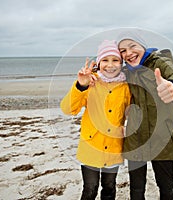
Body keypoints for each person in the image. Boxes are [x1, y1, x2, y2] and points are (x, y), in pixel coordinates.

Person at [117, 32, 173, 200]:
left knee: (166, 185)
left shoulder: (159, 62)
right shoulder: (125, 73)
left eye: (132, 46)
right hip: (135, 138)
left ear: (143, 47)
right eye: (122, 51)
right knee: (136, 189)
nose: (128, 53)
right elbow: (107, 73)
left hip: (162, 137)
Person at [60, 40, 131, 200]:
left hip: (114, 148)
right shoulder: (89, 82)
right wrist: (80, 85)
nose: (110, 65)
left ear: (121, 63)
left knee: (109, 188)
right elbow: (67, 109)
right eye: (105, 60)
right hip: (90, 147)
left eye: (115, 60)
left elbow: (130, 112)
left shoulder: (126, 87)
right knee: (90, 189)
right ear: (98, 63)